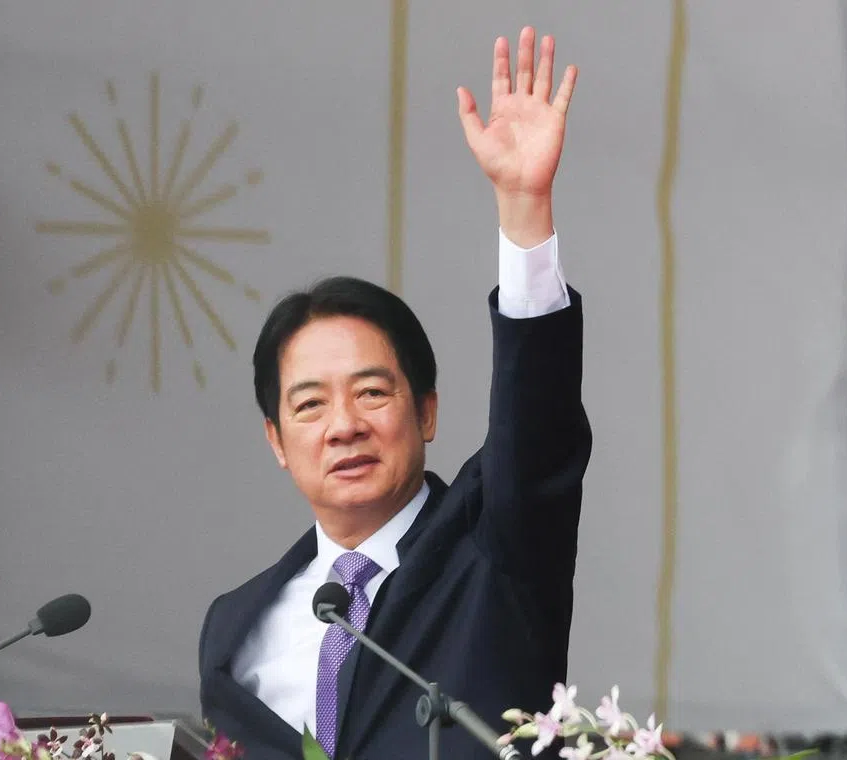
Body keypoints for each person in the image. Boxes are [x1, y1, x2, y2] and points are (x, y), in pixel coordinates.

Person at [198, 26, 590, 760]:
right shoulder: (234, 629)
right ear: (277, 442)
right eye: (309, 405)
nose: (342, 425)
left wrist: (523, 208)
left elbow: (536, 431)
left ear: (428, 410)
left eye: (372, 393)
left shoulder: (491, 546)